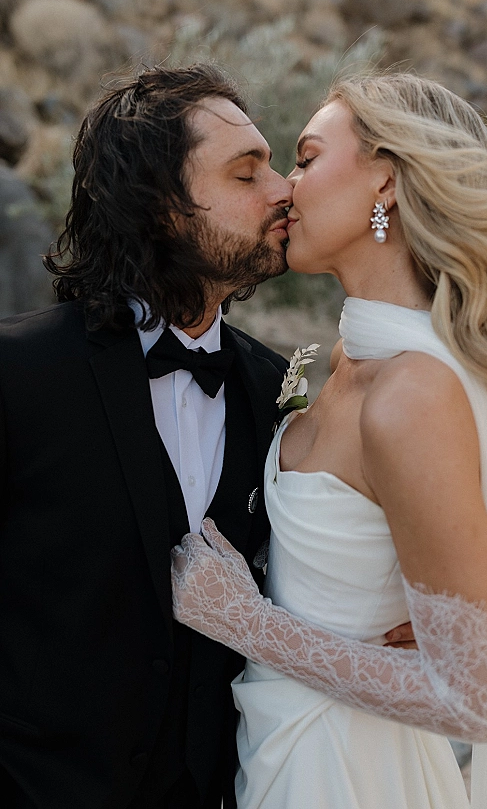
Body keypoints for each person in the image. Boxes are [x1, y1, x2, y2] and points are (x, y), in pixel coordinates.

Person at [171, 73, 487, 809]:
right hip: (283, 752)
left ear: (385, 181)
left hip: (343, 777)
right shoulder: (352, 360)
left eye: (307, 157)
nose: (287, 188)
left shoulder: (412, 395)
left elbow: (479, 701)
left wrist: (245, 621)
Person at [0, 64, 296, 808]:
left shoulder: (274, 389)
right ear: (163, 206)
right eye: (247, 172)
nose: (284, 188)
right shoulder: (20, 373)